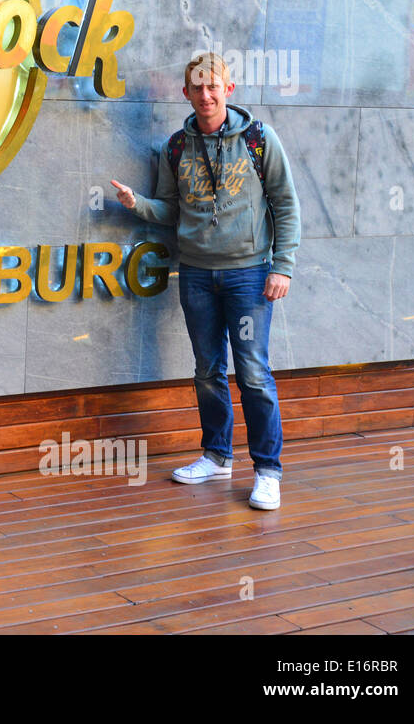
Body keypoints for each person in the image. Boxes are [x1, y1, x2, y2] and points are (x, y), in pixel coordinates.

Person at [111, 52, 300, 511]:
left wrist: (283, 266)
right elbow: (171, 210)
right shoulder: (176, 147)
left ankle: (267, 472)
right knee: (207, 371)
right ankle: (217, 455)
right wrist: (138, 204)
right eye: (197, 87)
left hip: (249, 274)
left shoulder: (259, 140)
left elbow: (286, 204)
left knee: (253, 374)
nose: (206, 94)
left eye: (213, 86)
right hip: (195, 274)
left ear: (228, 90)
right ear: (186, 93)